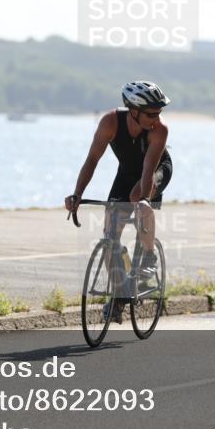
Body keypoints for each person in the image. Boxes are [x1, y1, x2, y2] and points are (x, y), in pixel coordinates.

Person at [65, 82, 172, 320]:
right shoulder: (110, 123)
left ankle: (148, 254)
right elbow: (92, 159)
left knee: (137, 197)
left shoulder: (159, 130)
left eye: (159, 112)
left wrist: (144, 200)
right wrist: (77, 194)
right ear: (133, 110)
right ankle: (119, 295)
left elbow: (147, 170)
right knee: (110, 234)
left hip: (155, 170)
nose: (157, 117)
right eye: (151, 113)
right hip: (126, 172)